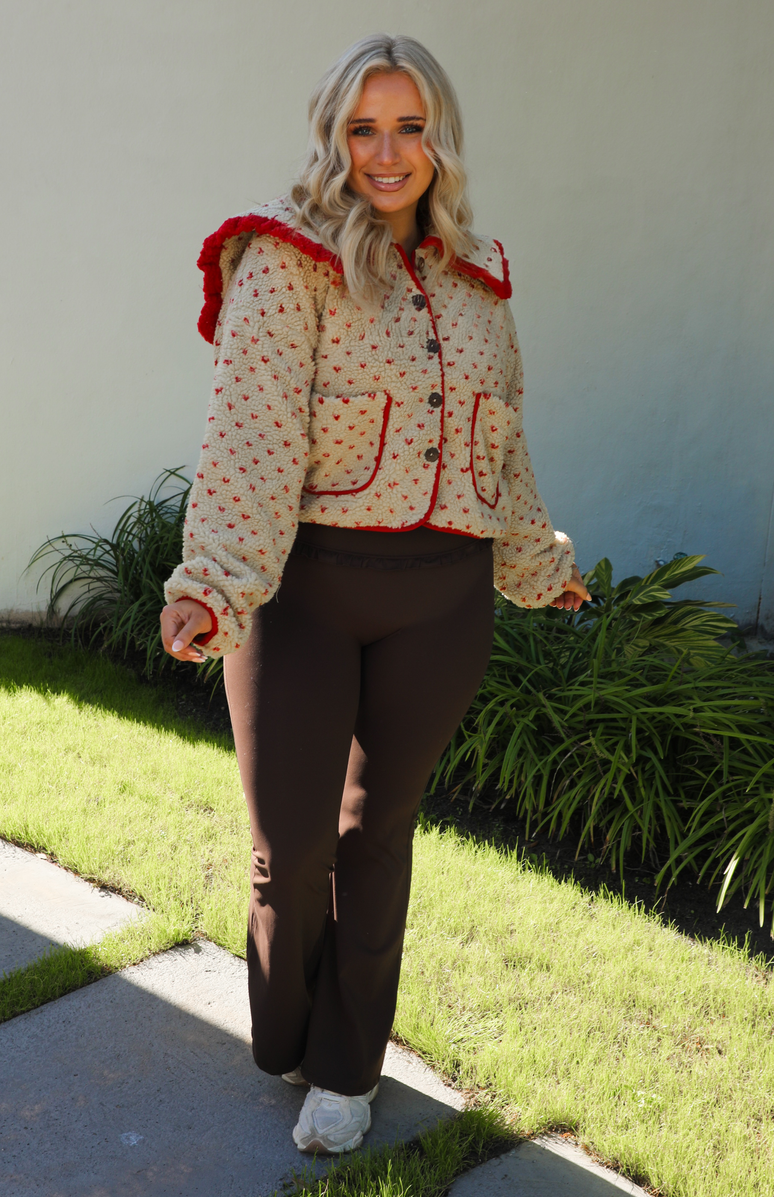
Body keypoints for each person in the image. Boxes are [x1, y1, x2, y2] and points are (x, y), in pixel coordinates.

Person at [160, 33, 590, 1156]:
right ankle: (291, 1030)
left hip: (440, 601)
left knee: (377, 837)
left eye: (409, 127)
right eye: (363, 127)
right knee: (288, 846)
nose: (386, 153)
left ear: (439, 139)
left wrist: (534, 562)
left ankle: (347, 1071)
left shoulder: (477, 272)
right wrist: (210, 585)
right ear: (332, 136)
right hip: (307, 593)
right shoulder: (285, 256)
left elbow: (502, 438)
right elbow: (247, 438)